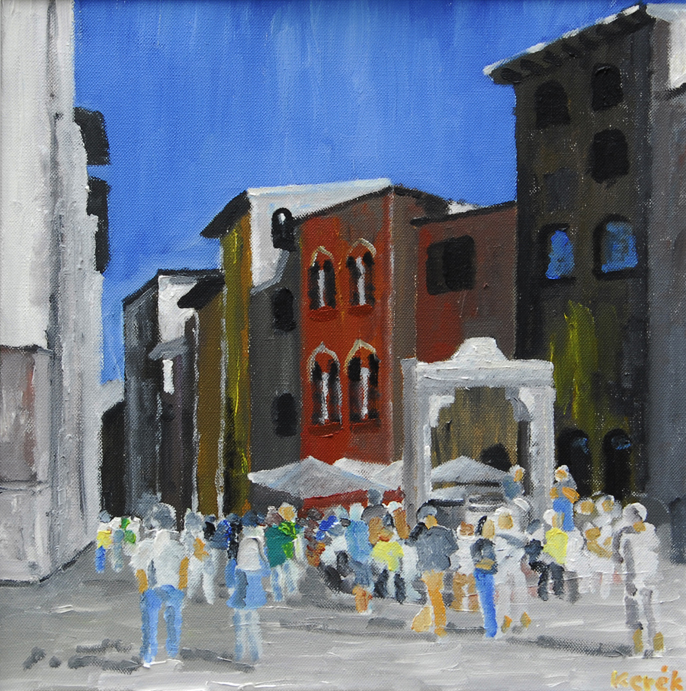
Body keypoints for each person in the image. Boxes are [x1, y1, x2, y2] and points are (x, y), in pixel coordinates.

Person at [131, 504, 188, 668]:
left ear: (153, 521)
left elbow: (139, 568)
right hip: (173, 587)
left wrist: (143, 588)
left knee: (149, 623)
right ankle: (172, 652)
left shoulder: (145, 545)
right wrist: (181, 587)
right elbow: (184, 567)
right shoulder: (178, 546)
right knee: (173, 621)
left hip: (152, 587)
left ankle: (148, 656)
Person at [613, 503, 664, 657]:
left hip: (645, 579)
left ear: (639, 515)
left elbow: (653, 553)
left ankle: (655, 647)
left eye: (629, 514)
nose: (626, 517)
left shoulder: (647, 532)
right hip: (634, 579)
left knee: (649, 614)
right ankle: (639, 647)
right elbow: (617, 556)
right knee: (635, 616)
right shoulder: (623, 533)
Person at [228, 511, 270, 663]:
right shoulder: (259, 541)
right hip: (254, 581)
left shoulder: (246, 543)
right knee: (252, 619)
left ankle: (240, 652)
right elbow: (265, 567)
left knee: (240, 619)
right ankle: (255, 653)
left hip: (243, 580)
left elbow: (239, 564)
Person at [410, 504, 457, 637]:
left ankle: (436, 624)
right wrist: (442, 554)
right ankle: (424, 623)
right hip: (439, 568)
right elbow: (453, 547)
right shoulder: (443, 531)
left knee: (434, 595)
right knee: (434, 595)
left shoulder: (421, 533)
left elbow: (412, 544)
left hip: (428, 568)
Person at [493, 507, 530, 632]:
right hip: (514, 571)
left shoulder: (498, 538)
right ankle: (519, 620)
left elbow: (498, 558)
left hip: (505, 572)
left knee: (505, 598)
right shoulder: (519, 537)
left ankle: (506, 621)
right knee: (518, 598)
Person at [471, 516, 498, 639]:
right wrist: (492, 565)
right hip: (483, 575)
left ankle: (490, 630)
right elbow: (478, 561)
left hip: (485, 575)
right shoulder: (482, 544)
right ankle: (490, 630)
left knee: (487, 603)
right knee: (487, 603)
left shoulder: (484, 544)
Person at [550, 465, 579, 532]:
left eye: (561, 474)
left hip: (567, 501)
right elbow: (553, 492)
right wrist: (553, 494)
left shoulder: (570, 482)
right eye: (558, 474)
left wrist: (567, 491)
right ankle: (557, 527)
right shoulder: (557, 484)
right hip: (558, 500)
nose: (560, 476)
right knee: (557, 514)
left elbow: (573, 489)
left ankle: (568, 528)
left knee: (567, 515)